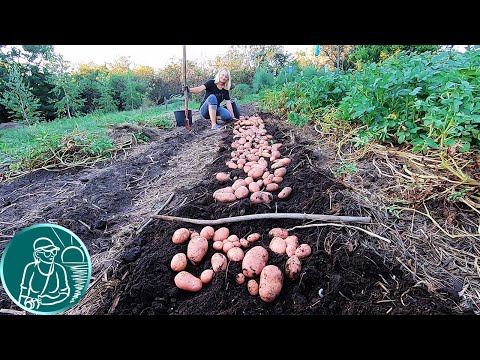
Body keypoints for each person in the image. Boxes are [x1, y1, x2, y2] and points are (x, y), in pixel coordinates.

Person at [18, 237, 70, 310]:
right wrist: (23, 307)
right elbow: (24, 291)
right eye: (47, 253)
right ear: (37, 254)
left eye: (54, 251)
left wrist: (51, 300)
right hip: (33, 308)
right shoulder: (30, 268)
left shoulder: (59, 269)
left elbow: (65, 293)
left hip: (56, 308)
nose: (52, 255)